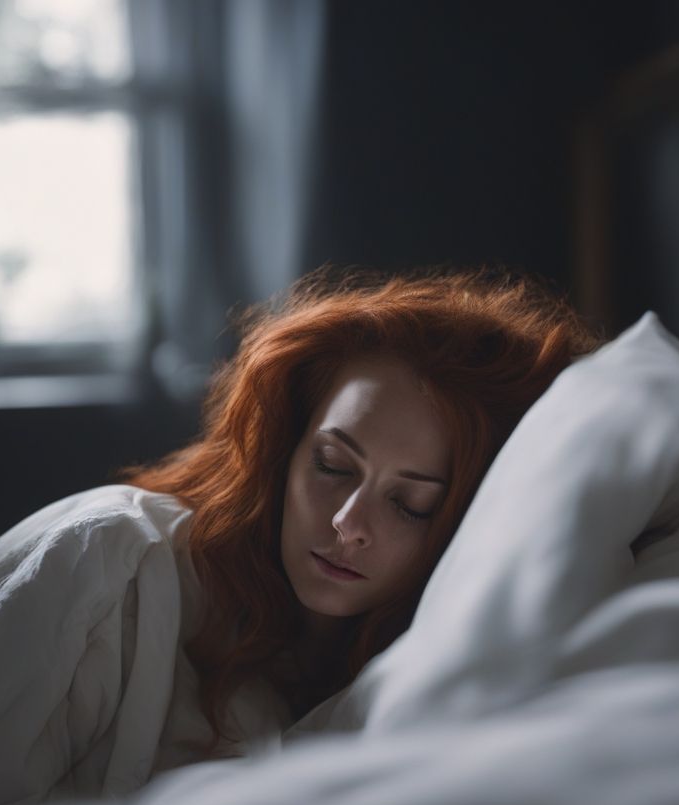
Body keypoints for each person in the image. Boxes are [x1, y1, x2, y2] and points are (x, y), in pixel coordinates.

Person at [121, 266, 598, 740]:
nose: (348, 522)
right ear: (286, 446)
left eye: (411, 504)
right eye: (332, 465)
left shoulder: (453, 692)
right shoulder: (120, 573)